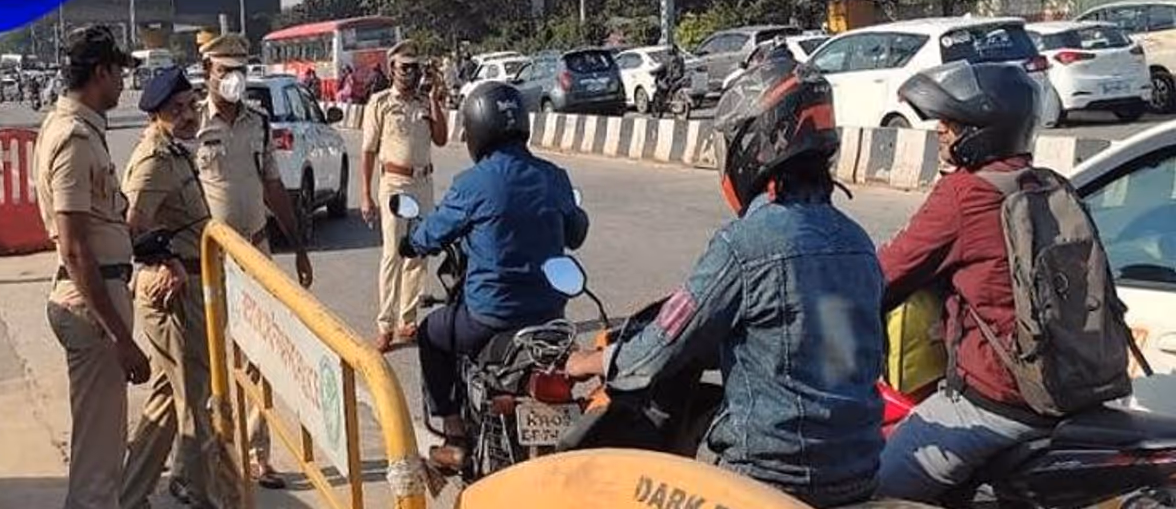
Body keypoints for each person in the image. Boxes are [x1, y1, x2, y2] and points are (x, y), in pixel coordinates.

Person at [564, 57, 886, 508]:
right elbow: (833, 349)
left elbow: (658, 349)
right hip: (859, 472)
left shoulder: (744, 244)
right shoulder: (857, 241)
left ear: (755, 144)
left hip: (770, 479)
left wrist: (593, 361)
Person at [876, 61, 1053, 502]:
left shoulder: (964, 194)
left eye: (952, 123)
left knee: (875, 488)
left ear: (982, 130)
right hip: (1067, 390)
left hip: (996, 401)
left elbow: (883, 276)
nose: (940, 132)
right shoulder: (1045, 185)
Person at [402, 81, 589, 472]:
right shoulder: (553, 176)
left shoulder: (473, 183)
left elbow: (431, 234)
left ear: (476, 129)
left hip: (488, 319)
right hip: (549, 320)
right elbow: (577, 233)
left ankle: (454, 437)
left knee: (431, 334)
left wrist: (410, 242)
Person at [35, 26, 151, 509]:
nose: (124, 84)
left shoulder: (77, 129)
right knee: (98, 464)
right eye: (119, 73)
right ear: (100, 73)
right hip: (92, 302)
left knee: (99, 446)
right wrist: (122, 339)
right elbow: (76, 248)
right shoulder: (74, 138)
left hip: (96, 294)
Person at [195, 32, 314, 490]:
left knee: (257, 353)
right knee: (209, 356)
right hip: (212, 257)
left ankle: (257, 454)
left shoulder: (258, 123)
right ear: (208, 72)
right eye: (225, 72)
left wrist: (298, 244)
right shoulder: (191, 124)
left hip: (257, 250)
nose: (234, 81)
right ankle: (212, 452)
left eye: (240, 72)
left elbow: (273, 187)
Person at [119, 67, 220, 509]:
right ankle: (206, 492)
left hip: (190, 283)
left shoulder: (175, 152)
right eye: (175, 110)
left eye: (190, 106)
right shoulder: (154, 160)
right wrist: (164, 259)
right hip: (174, 291)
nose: (187, 115)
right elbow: (129, 226)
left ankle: (127, 494)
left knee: (166, 397)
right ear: (156, 115)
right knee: (195, 396)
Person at [360, 40, 448, 352]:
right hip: (394, 182)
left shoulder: (426, 102)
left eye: (414, 67)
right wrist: (366, 195)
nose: (408, 73)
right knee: (392, 253)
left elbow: (441, 139)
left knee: (418, 252)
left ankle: (407, 319)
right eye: (403, 67)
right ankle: (385, 324)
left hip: (423, 182)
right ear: (391, 68)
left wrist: (436, 100)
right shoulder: (381, 102)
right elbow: (368, 151)